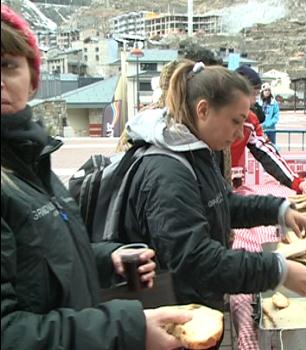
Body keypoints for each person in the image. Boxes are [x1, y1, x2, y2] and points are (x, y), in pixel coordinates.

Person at [1, 4, 192, 349]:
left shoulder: (32, 162)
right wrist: (127, 329)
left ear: (31, 80)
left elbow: (43, 261)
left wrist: (106, 259)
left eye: (7, 65)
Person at [119, 62, 306, 326]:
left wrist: (278, 210)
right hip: (173, 318)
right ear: (203, 110)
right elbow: (196, 260)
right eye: (235, 121)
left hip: (196, 307)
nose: (239, 134)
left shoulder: (196, 152)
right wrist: (277, 270)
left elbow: (223, 204)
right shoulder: (167, 172)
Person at [234, 65, 306, 193]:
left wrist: (296, 182)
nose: (253, 101)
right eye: (251, 95)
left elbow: (267, 153)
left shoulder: (250, 120)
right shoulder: (211, 120)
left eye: (256, 96)